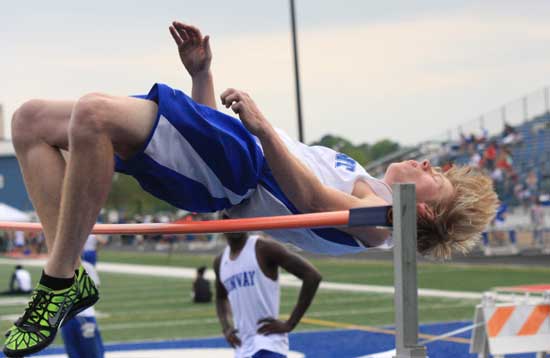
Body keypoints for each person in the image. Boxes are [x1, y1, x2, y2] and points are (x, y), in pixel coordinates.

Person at [4, 21, 498, 357]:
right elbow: (203, 137)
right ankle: (68, 276)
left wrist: (262, 128)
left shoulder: (384, 219)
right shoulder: (370, 185)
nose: (430, 162)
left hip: (242, 167)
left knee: (92, 113)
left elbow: (313, 203)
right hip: (228, 160)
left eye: (439, 176)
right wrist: (202, 76)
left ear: (427, 214)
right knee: (30, 122)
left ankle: (57, 283)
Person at [214, 231, 321, 358]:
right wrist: (226, 328)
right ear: (220, 221)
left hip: (268, 343)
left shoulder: (263, 248)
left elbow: (312, 276)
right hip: (242, 347)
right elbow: (220, 297)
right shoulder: (220, 261)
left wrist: (290, 324)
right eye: (226, 218)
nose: (231, 221)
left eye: (234, 217)